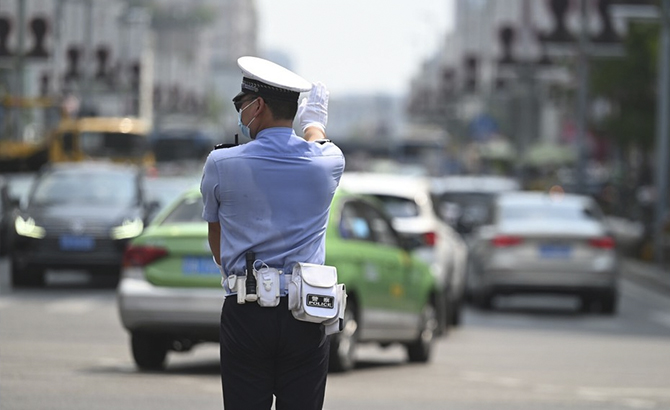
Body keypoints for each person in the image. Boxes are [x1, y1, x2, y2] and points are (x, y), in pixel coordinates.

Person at [200, 56, 345, 410]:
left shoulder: (221, 163)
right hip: (306, 314)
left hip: (246, 313)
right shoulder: (327, 164)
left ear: (258, 106)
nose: (240, 111)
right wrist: (313, 123)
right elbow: (318, 141)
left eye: (241, 104)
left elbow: (217, 245)